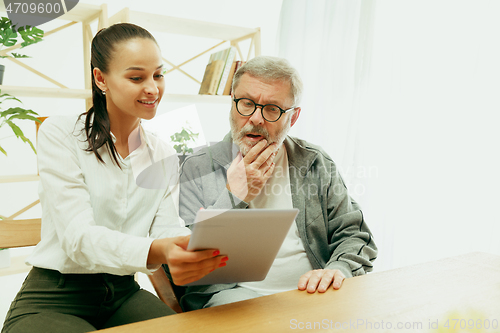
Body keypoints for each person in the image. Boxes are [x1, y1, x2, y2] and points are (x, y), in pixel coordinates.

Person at [1, 23, 227, 333]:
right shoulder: (61, 134)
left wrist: (187, 245)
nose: (152, 88)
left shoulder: (161, 151)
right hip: (54, 297)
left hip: (123, 294)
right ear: (100, 78)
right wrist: (158, 250)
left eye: (158, 75)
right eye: (136, 77)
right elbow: (78, 239)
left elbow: (163, 227)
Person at [176, 56, 377, 311]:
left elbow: (355, 234)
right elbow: (188, 265)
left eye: (272, 108)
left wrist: (338, 270)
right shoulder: (197, 166)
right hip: (234, 298)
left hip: (313, 295)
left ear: (292, 118)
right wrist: (235, 195)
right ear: (232, 103)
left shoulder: (315, 161)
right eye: (246, 103)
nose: (257, 118)